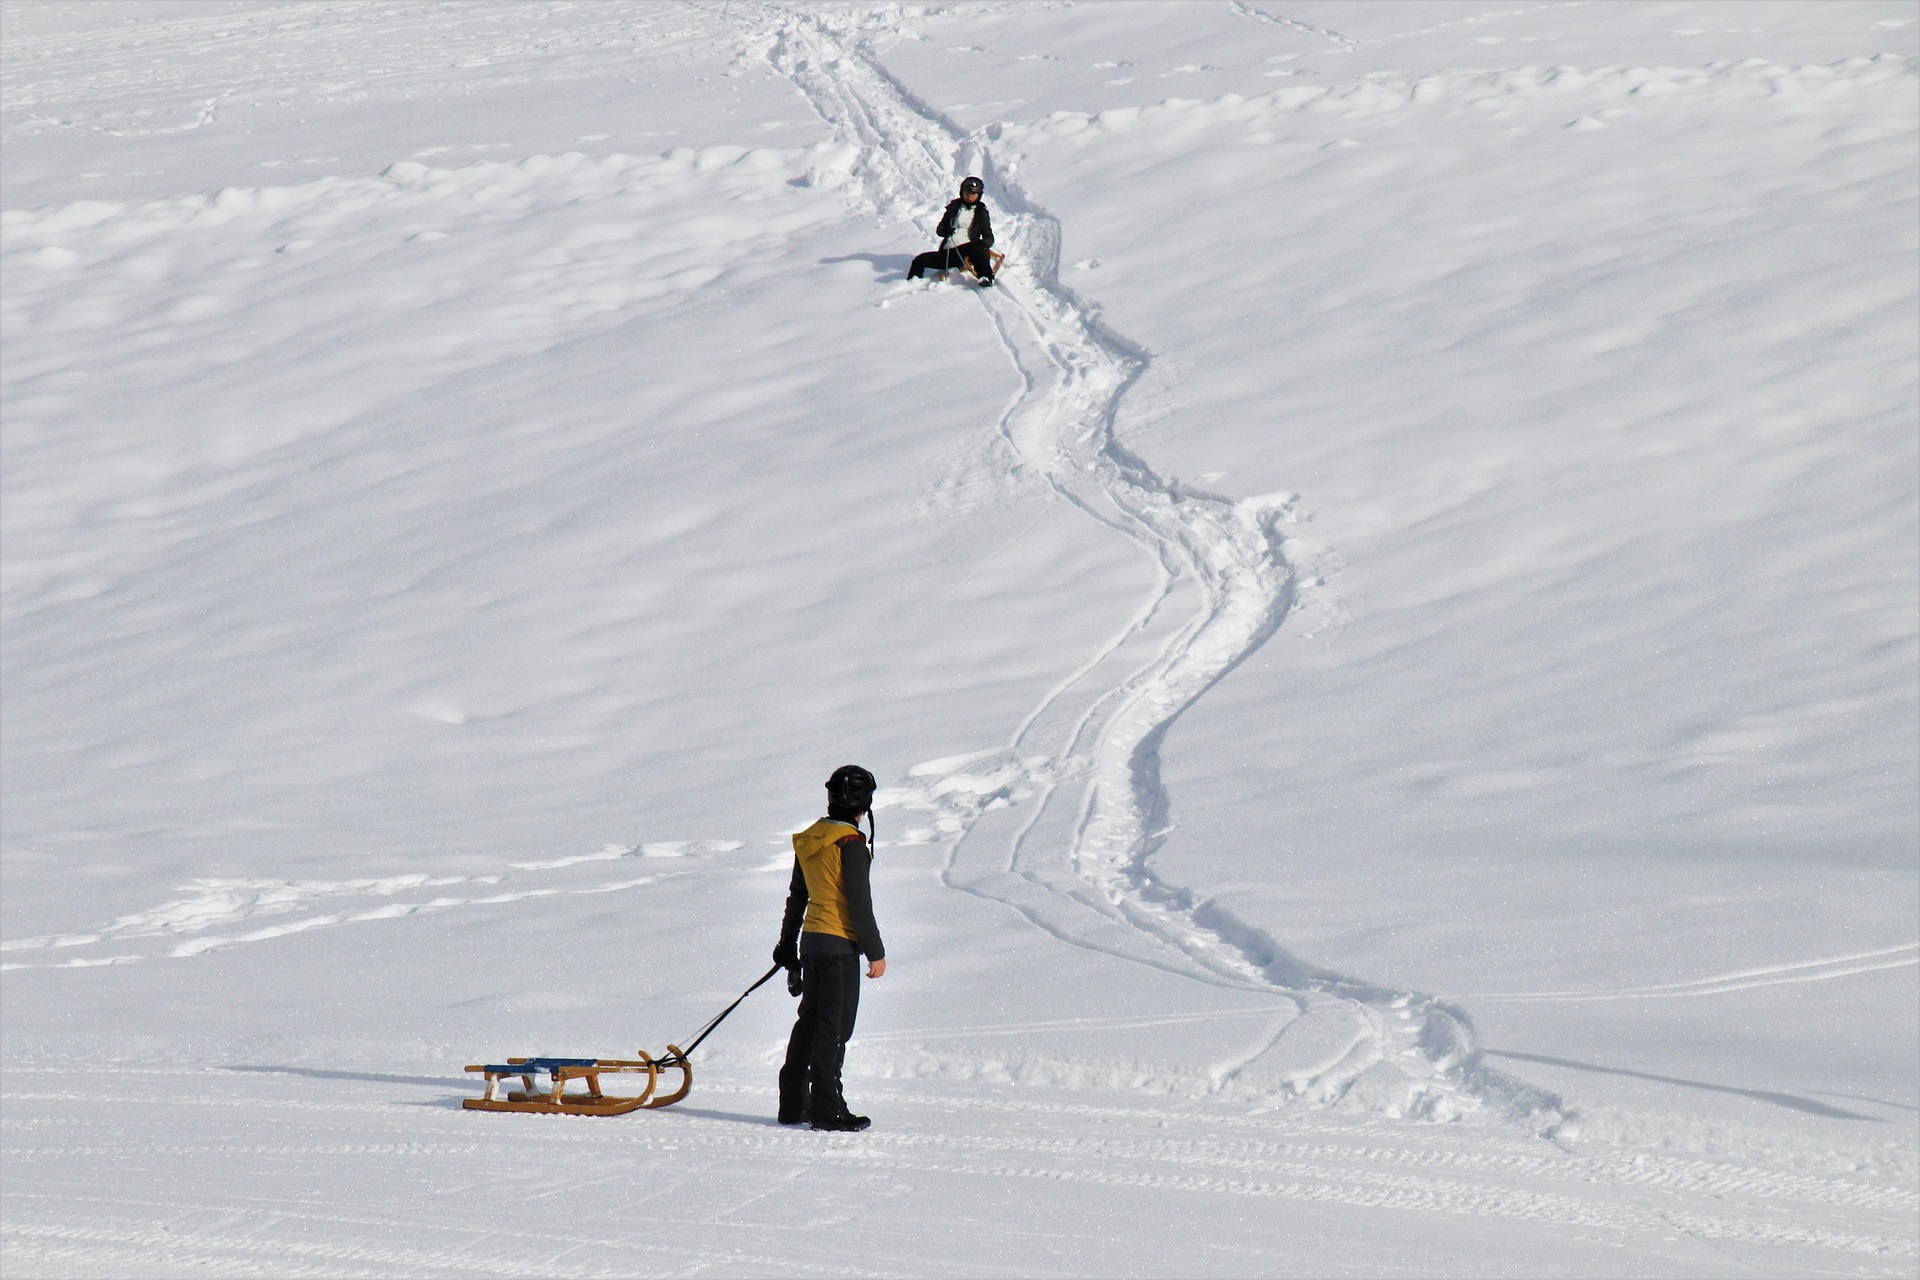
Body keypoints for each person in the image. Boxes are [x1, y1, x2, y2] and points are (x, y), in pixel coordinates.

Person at [773, 764, 887, 1131]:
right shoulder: (851, 844)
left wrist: (787, 946)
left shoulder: (811, 838)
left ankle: (793, 1102)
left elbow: (798, 896)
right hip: (839, 948)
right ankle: (827, 1108)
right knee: (834, 1028)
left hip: (811, 944)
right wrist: (875, 951)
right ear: (864, 805)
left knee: (810, 1022)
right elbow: (858, 903)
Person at [907, 176, 996, 285]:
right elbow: (940, 230)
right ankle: (912, 283)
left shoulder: (981, 213)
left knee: (972, 247)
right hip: (949, 252)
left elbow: (989, 238)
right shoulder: (954, 207)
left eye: (973, 194)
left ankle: (986, 277)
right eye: (966, 192)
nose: (969, 196)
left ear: (979, 195)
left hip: (968, 252)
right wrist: (946, 231)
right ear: (961, 192)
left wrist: (982, 244)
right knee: (919, 260)